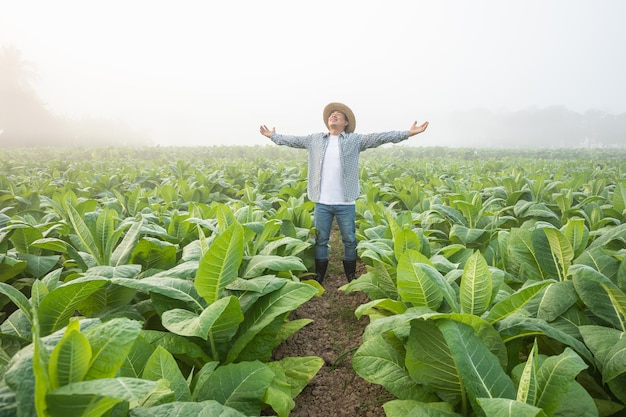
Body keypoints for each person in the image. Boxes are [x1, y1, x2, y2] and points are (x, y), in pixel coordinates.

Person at [260, 102, 428, 284]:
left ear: (346, 123)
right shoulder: (315, 139)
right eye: (332, 114)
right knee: (321, 239)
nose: (334, 115)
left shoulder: (354, 141)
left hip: (345, 202)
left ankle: (350, 275)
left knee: (349, 239)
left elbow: (380, 137)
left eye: (339, 114)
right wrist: (273, 136)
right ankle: (320, 275)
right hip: (321, 201)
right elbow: (293, 140)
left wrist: (407, 133)